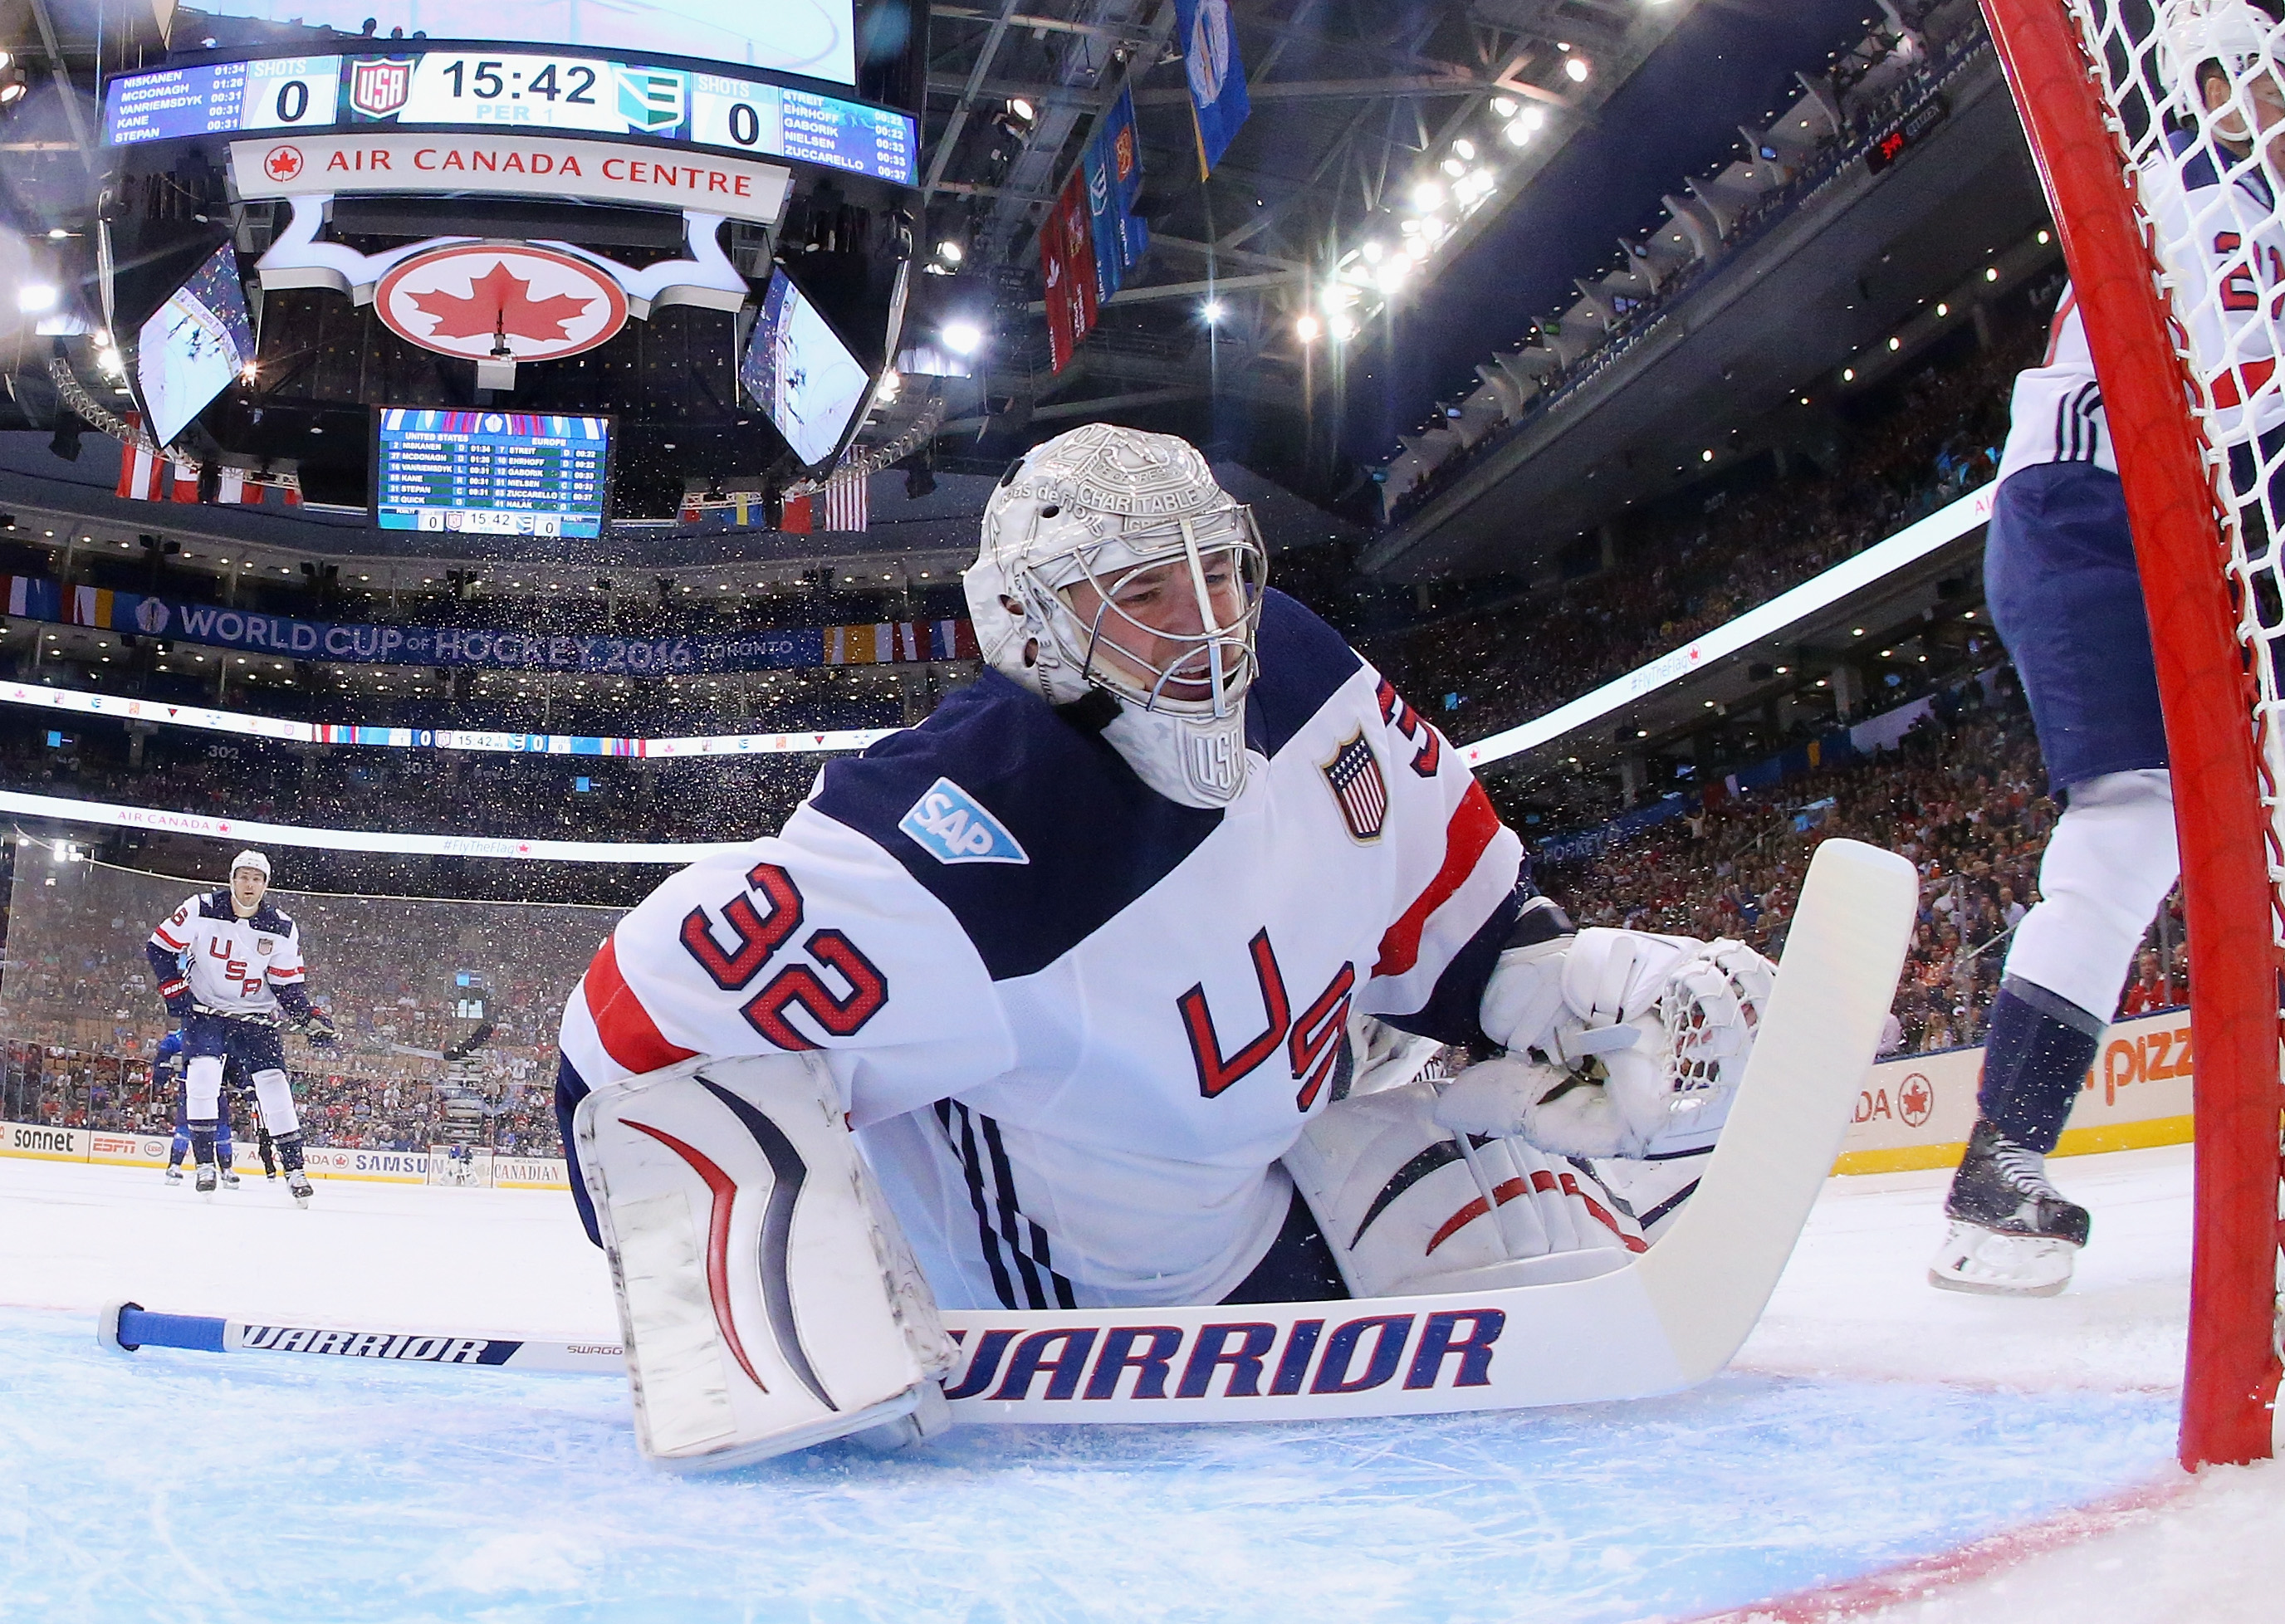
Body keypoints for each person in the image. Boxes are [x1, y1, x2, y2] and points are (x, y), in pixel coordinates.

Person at [555, 424, 1775, 1465]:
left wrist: (1554, 989)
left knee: (1521, 1219)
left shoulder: (1297, 663)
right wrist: (752, 1309)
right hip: (1092, 1355)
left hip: (1277, 1201)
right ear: (1030, 627)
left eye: (1217, 573)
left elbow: (1438, 911)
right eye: (1140, 592)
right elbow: (630, 1034)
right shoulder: (962, 835)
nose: (1206, 628)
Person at [1929, 0, 2285, 1296]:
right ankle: (1997, 1167)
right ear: (2205, 85)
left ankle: (2001, 1163)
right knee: (2134, 829)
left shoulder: (2234, 198)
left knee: (2181, 834)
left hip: (2170, 528)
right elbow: (2238, 416)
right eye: (2255, 84)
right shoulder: (2211, 205)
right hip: (2099, 519)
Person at [145, 850, 337, 1205]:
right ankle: (205, 1165)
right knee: (202, 1078)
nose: (249, 884)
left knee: (275, 1087)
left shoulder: (281, 926)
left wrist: (308, 1016)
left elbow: (286, 985)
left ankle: (295, 1170)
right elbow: (159, 947)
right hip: (207, 1013)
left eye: (257, 878)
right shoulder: (200, 907)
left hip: (256, 1019)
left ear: (266, 884)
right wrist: (173, 988)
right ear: (231, 879)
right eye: (243, 876)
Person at [157, 1029, 238, 1187]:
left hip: (216, 1088)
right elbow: (167, 1049)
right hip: (189, 1087)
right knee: (185, 1127)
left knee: (222, 1129)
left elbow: (233, 1059)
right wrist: (163, 1065)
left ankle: (226, 1169)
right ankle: (174, 1166)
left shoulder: (222, 1035)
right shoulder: (184, 1034)